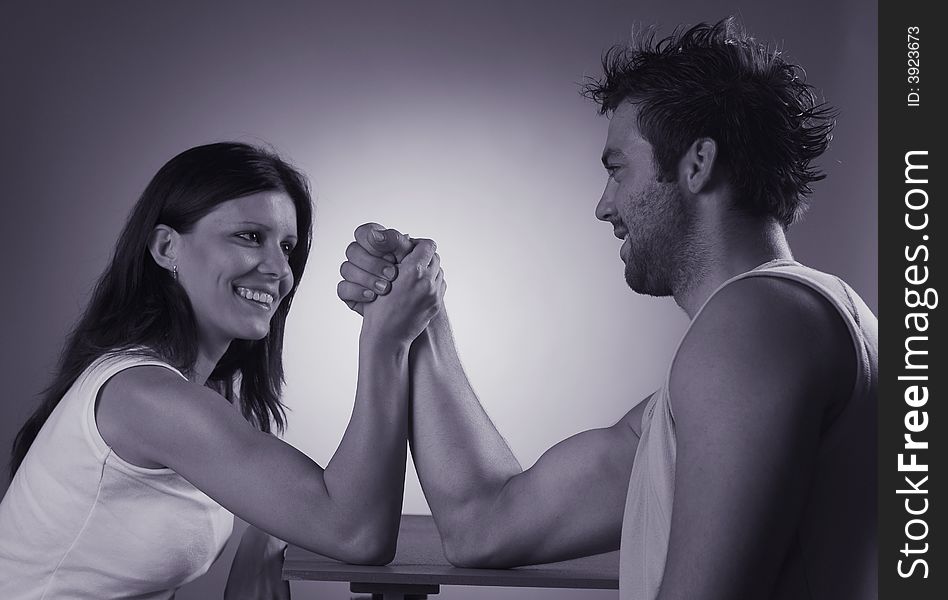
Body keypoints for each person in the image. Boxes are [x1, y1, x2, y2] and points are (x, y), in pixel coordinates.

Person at [336, 18, 877, 600]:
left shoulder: (754, 328)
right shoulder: (771, 338)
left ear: (697, 165)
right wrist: (420, 312)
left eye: (617, 170)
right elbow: (484, 525)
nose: (603, 205)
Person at [0, 142, 445, 599]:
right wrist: (386, 340)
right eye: (250, 236)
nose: (279, 269)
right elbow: (357, 534)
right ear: (167, 247)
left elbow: (314, 515)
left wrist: (267, 534)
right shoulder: (144, 395)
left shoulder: (199, 391)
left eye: (287, 246)